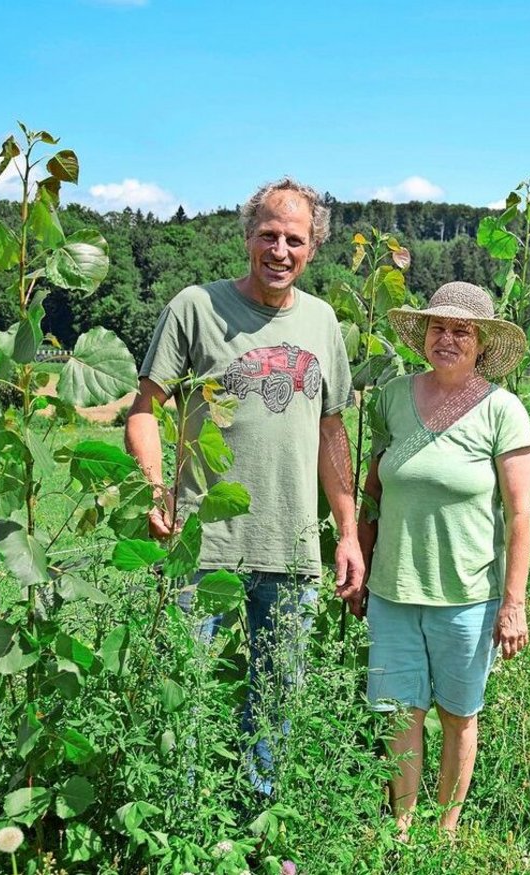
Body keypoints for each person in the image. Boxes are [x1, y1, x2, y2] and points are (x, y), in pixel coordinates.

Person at [123, 178, 364, 790]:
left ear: (313, 249)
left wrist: (348, 532)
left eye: (295, 239)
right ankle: (185, 822)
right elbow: (144, 409)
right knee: (185, 694)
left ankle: (259, 825)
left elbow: (331, 431)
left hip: (292, 544)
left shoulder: (322, 322)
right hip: (202, 542)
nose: (280, 250)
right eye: (268, 235)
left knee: (277, 701)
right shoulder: (196, 308)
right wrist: (156, 490)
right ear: (248, 237)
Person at [355, 281, 530, 837]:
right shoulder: (393, 396)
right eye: (439, 327)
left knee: (458, 714)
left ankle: (446, 831)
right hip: (392, 590)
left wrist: (514, 604)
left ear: (481, 343)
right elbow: (372, 493)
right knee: (400, 713)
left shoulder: (501, 410)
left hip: (467, 597)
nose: (448, 338)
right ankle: (405, 827)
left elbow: (519, 515)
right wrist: (360, 564)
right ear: (423, 335)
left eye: (462, 331)